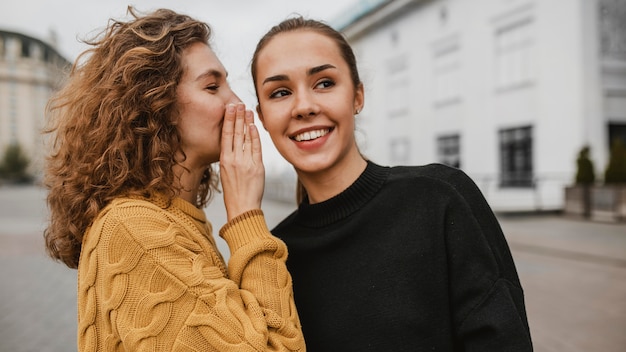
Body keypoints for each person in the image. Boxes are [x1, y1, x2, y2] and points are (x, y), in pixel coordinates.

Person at [250, 16, 533, 351]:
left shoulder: (440, 198)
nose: (304, 107)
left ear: (357, 96)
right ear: (263, 117)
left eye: (324, 83)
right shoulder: (275, 256)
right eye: (280, 92)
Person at [43, 7, 305, 351]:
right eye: (212, 87)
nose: (237, 103)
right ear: (155, 102)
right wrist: (245, 215)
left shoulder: (171, 220)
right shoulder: (136, 231)